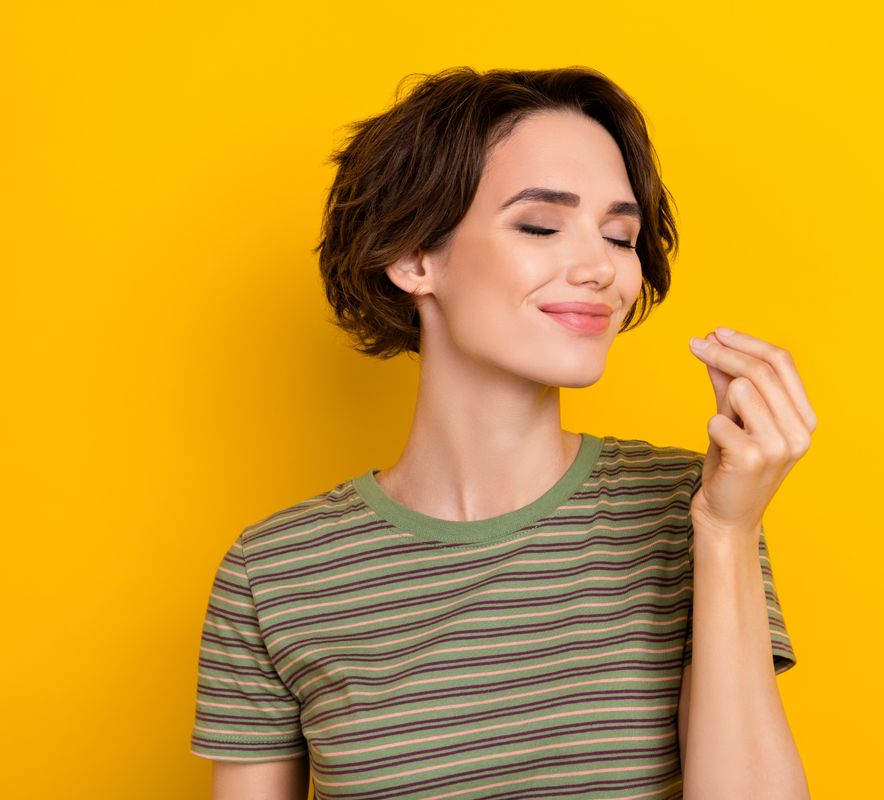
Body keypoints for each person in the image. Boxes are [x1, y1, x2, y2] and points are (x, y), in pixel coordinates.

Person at [189, 65, 816, 800]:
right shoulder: (276, 576)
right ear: (416, 256)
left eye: (620, 237)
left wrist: (727, 532)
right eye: (541, 225)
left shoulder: (691, 509)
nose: (602, 272)